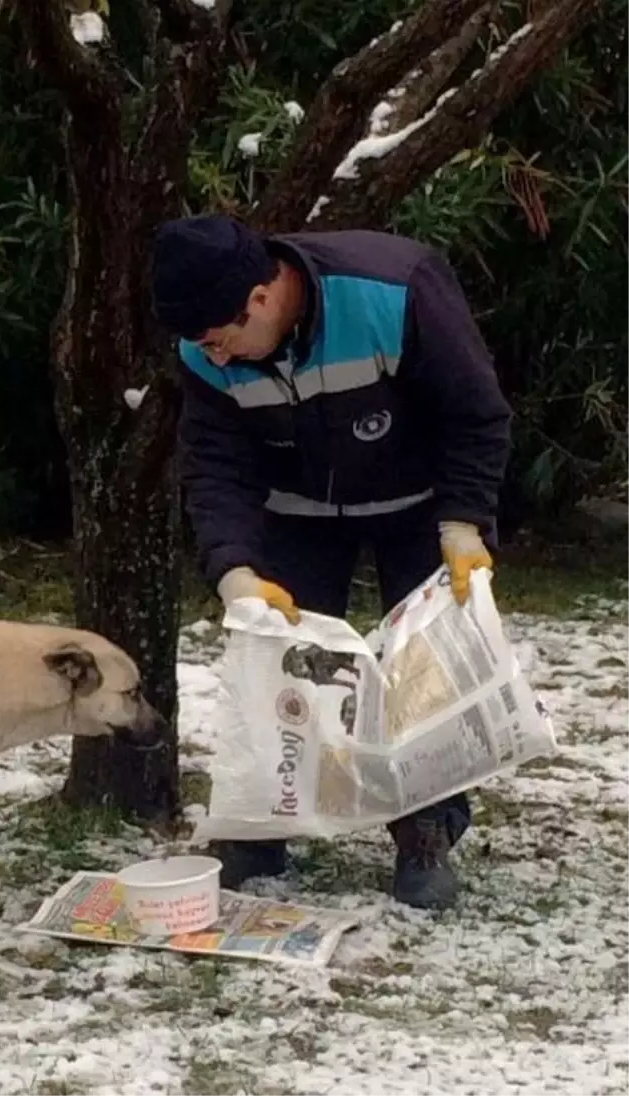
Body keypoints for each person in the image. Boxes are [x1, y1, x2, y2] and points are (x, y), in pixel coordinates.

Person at [150, 214, 512, 910]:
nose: (213, 357)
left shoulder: (393, 291)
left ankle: (425, 831)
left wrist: (465, 522)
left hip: (420, 505)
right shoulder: (206, 351)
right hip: (299, 510)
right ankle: (258, 830)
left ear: (258, 299)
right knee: (279, 665)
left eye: (218, 340)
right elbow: (213, 466)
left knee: (422, 672)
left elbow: (476, 413)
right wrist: (236, 572)